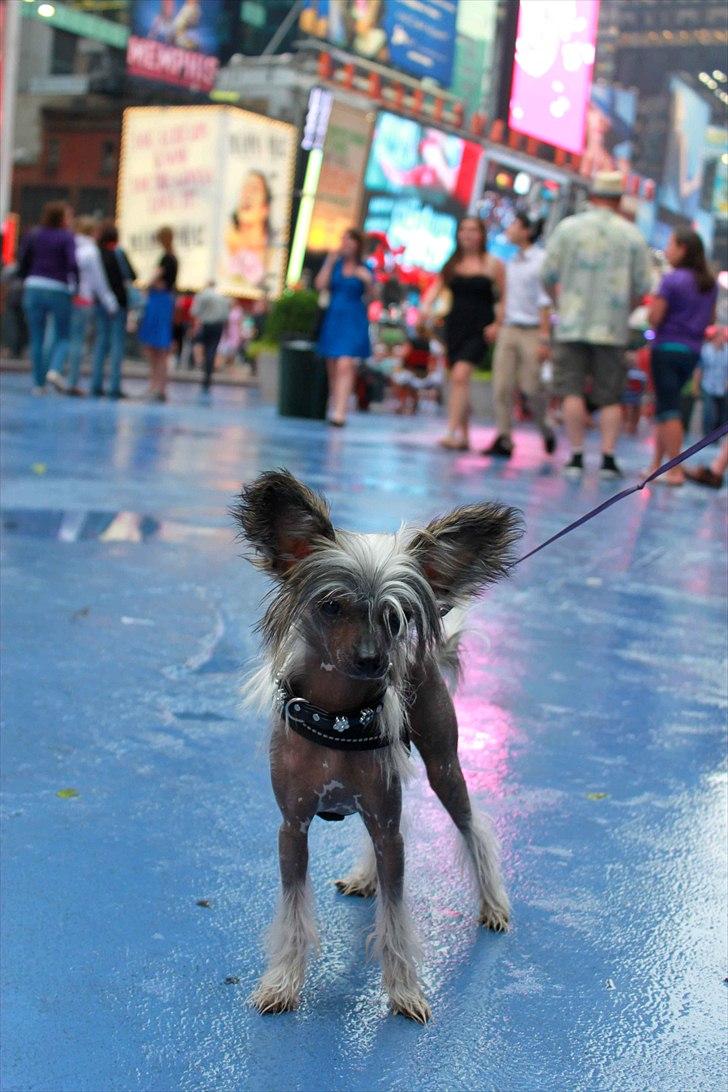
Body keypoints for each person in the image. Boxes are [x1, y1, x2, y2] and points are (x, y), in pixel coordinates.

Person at [542, 170, 652, 478]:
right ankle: (607, 458)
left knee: (572, 391)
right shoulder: (631, 234)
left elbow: (547, 274)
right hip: (612, 328)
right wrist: (626, 309)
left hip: (572, 323)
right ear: (618, 200)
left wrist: (559, 303)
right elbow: (645, 284)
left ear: (592, 196)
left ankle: (576, 456)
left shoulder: (568, 229)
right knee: (610, 396)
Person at [421, 216, 504, 451]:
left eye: (472, 230)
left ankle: (451, 431)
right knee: (459, 381)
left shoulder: (492, 264)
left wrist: (497, 324)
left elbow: (503, 298)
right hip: (455, 327)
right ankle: (465, 435)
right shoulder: (452, 264)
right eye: (463, 229)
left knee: (460, 376)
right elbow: (436, 288)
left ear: (481, 234)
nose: (467, 234)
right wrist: (425, 309)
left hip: (480, 329)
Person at [646, 229, 717, 486]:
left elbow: (655, 318)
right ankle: (656, 465)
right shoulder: (707, 284)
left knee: (668, 409)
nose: (667, 249)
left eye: (670, 244)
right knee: (667, 406)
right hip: (692, 351)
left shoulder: (672, 280)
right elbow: (709, 321)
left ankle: (674, 469)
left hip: (666, 348)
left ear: (683, 248)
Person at [482, 212, 556, 459]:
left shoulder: (541, 260)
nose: (509, 229)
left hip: (533, 330)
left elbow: (545, 301)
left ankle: (545, 428)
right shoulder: (511, 262)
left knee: (531, 387)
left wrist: (545, 337)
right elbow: (505, 297)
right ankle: (504, 437)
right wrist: (497, 323)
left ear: (526, 231)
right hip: (510, 328)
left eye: (514, 224)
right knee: (501, 385)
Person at [18, 201, 78, 395]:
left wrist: (27, 277)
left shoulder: (33, 234)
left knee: (37, 337)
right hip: (58, 288)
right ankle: (54, 368)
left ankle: (38, 383)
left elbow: (23, 259)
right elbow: (72, 263)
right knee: (63, 335)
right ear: (62, 218)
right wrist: (75, 285)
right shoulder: (66, 237)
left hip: (34, 286)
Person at [314, 228, 372, 426]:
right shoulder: (336, 265)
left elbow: (373, 297)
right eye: (344, 239)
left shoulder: (365, 268)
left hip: (354, 318)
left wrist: (368, 281)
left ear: (357, 244)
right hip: (334, 317)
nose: (346, 243)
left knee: (346, 364)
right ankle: (334, 405)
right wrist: (329, 262)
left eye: (350, 240)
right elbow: (320, 285)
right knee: (332, 365)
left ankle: (341, 411)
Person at [62, 217, 118, 397]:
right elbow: (98, 280)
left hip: (66, 296)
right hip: (83, 298)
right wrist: (109, 301)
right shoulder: (90, 251)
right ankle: (72, 381)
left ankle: (52, 373)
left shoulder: (69, 245)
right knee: (79, 341)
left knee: (61, 338)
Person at [90, 222, 137, 399]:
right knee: (117, 344)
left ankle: (96, 383)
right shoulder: (118, 253)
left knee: (101, 342)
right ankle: (114, 386)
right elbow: (132, 275)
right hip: (119, 302)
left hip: (101, 302)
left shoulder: (96, 254)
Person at [138, 226, 177, 402]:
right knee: (157, 347)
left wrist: (147, 286)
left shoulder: (167, 258)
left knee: (158, 347)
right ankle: (156, 386)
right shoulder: (171, 258)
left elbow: (155, 278)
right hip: (162, 301)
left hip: (159, 302)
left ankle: (157, 386)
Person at [225, 172, 271, 289]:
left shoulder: (268, 256)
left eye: (254, 189)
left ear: (266, 208)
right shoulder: (226, 250)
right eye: (245, 188)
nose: (247, 194)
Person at [190, 281, 231, 393]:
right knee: (212, 349)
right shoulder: (222, 298)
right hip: (217, 326)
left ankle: (203, 367)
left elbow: (194, 311)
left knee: (199, 346)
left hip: (206, 325)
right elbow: (226, 315)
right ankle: (207, 374)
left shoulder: (203, 296)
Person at [694, 325, 727, 437]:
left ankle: (718, 437)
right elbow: (699, 369)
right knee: (709, 412)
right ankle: (708, 436)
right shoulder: (705, 350)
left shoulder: (727, 350)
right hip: (708, 384)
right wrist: (696, 386)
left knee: (722, 413)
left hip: (723, 386)